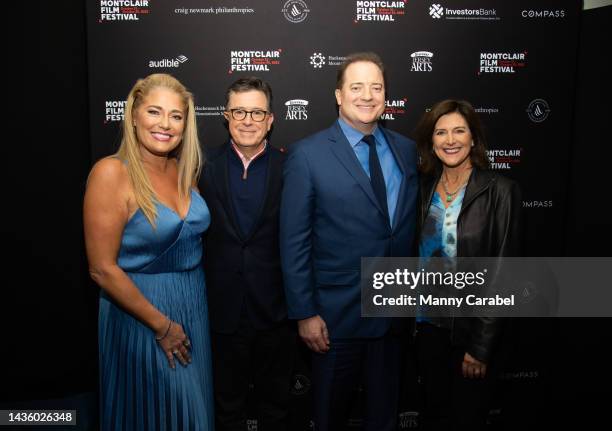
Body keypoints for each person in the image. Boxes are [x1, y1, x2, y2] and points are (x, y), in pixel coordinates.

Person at [280, 52, 419, 431]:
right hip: (334, 318)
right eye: (356, 87)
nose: (368, 95)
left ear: (386, 97)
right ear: (338, 95)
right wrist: (305, 313)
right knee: (329, 416)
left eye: (376, 87)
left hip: (393, 313)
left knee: (384, 417)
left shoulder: (406, 151)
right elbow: (294, 242)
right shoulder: (307, 155)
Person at [84, 73, 213, 430]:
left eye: (176, 116)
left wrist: (180, 323)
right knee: (155, 413)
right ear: (134, 115)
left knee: (195, 413)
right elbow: (101, 269)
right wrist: (162, 326)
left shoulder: (184, 171)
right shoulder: (111, 173)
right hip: (141, 316)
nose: (165, 124)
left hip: (192, 309)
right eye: (154, 112)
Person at [414, 99, 522, 430]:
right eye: (441, 132)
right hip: (427, 332)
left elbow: (505, 275)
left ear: (473, 138)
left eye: (459, 131)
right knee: (432, 417)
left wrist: (480, 347)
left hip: (470, 335)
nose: (450, 140)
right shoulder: (422, 189)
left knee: (466, 418)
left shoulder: (502, 192)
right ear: (431, 142)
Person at [199, 77, 295, 430]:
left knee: (277, 408)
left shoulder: (293, 168)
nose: (248, 120)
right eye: (239, 111)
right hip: (221, 312)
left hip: (276, 312)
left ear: (271, 119)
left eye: (257, 112)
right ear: (226, 116)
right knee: (227, 410)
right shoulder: (200, 166)